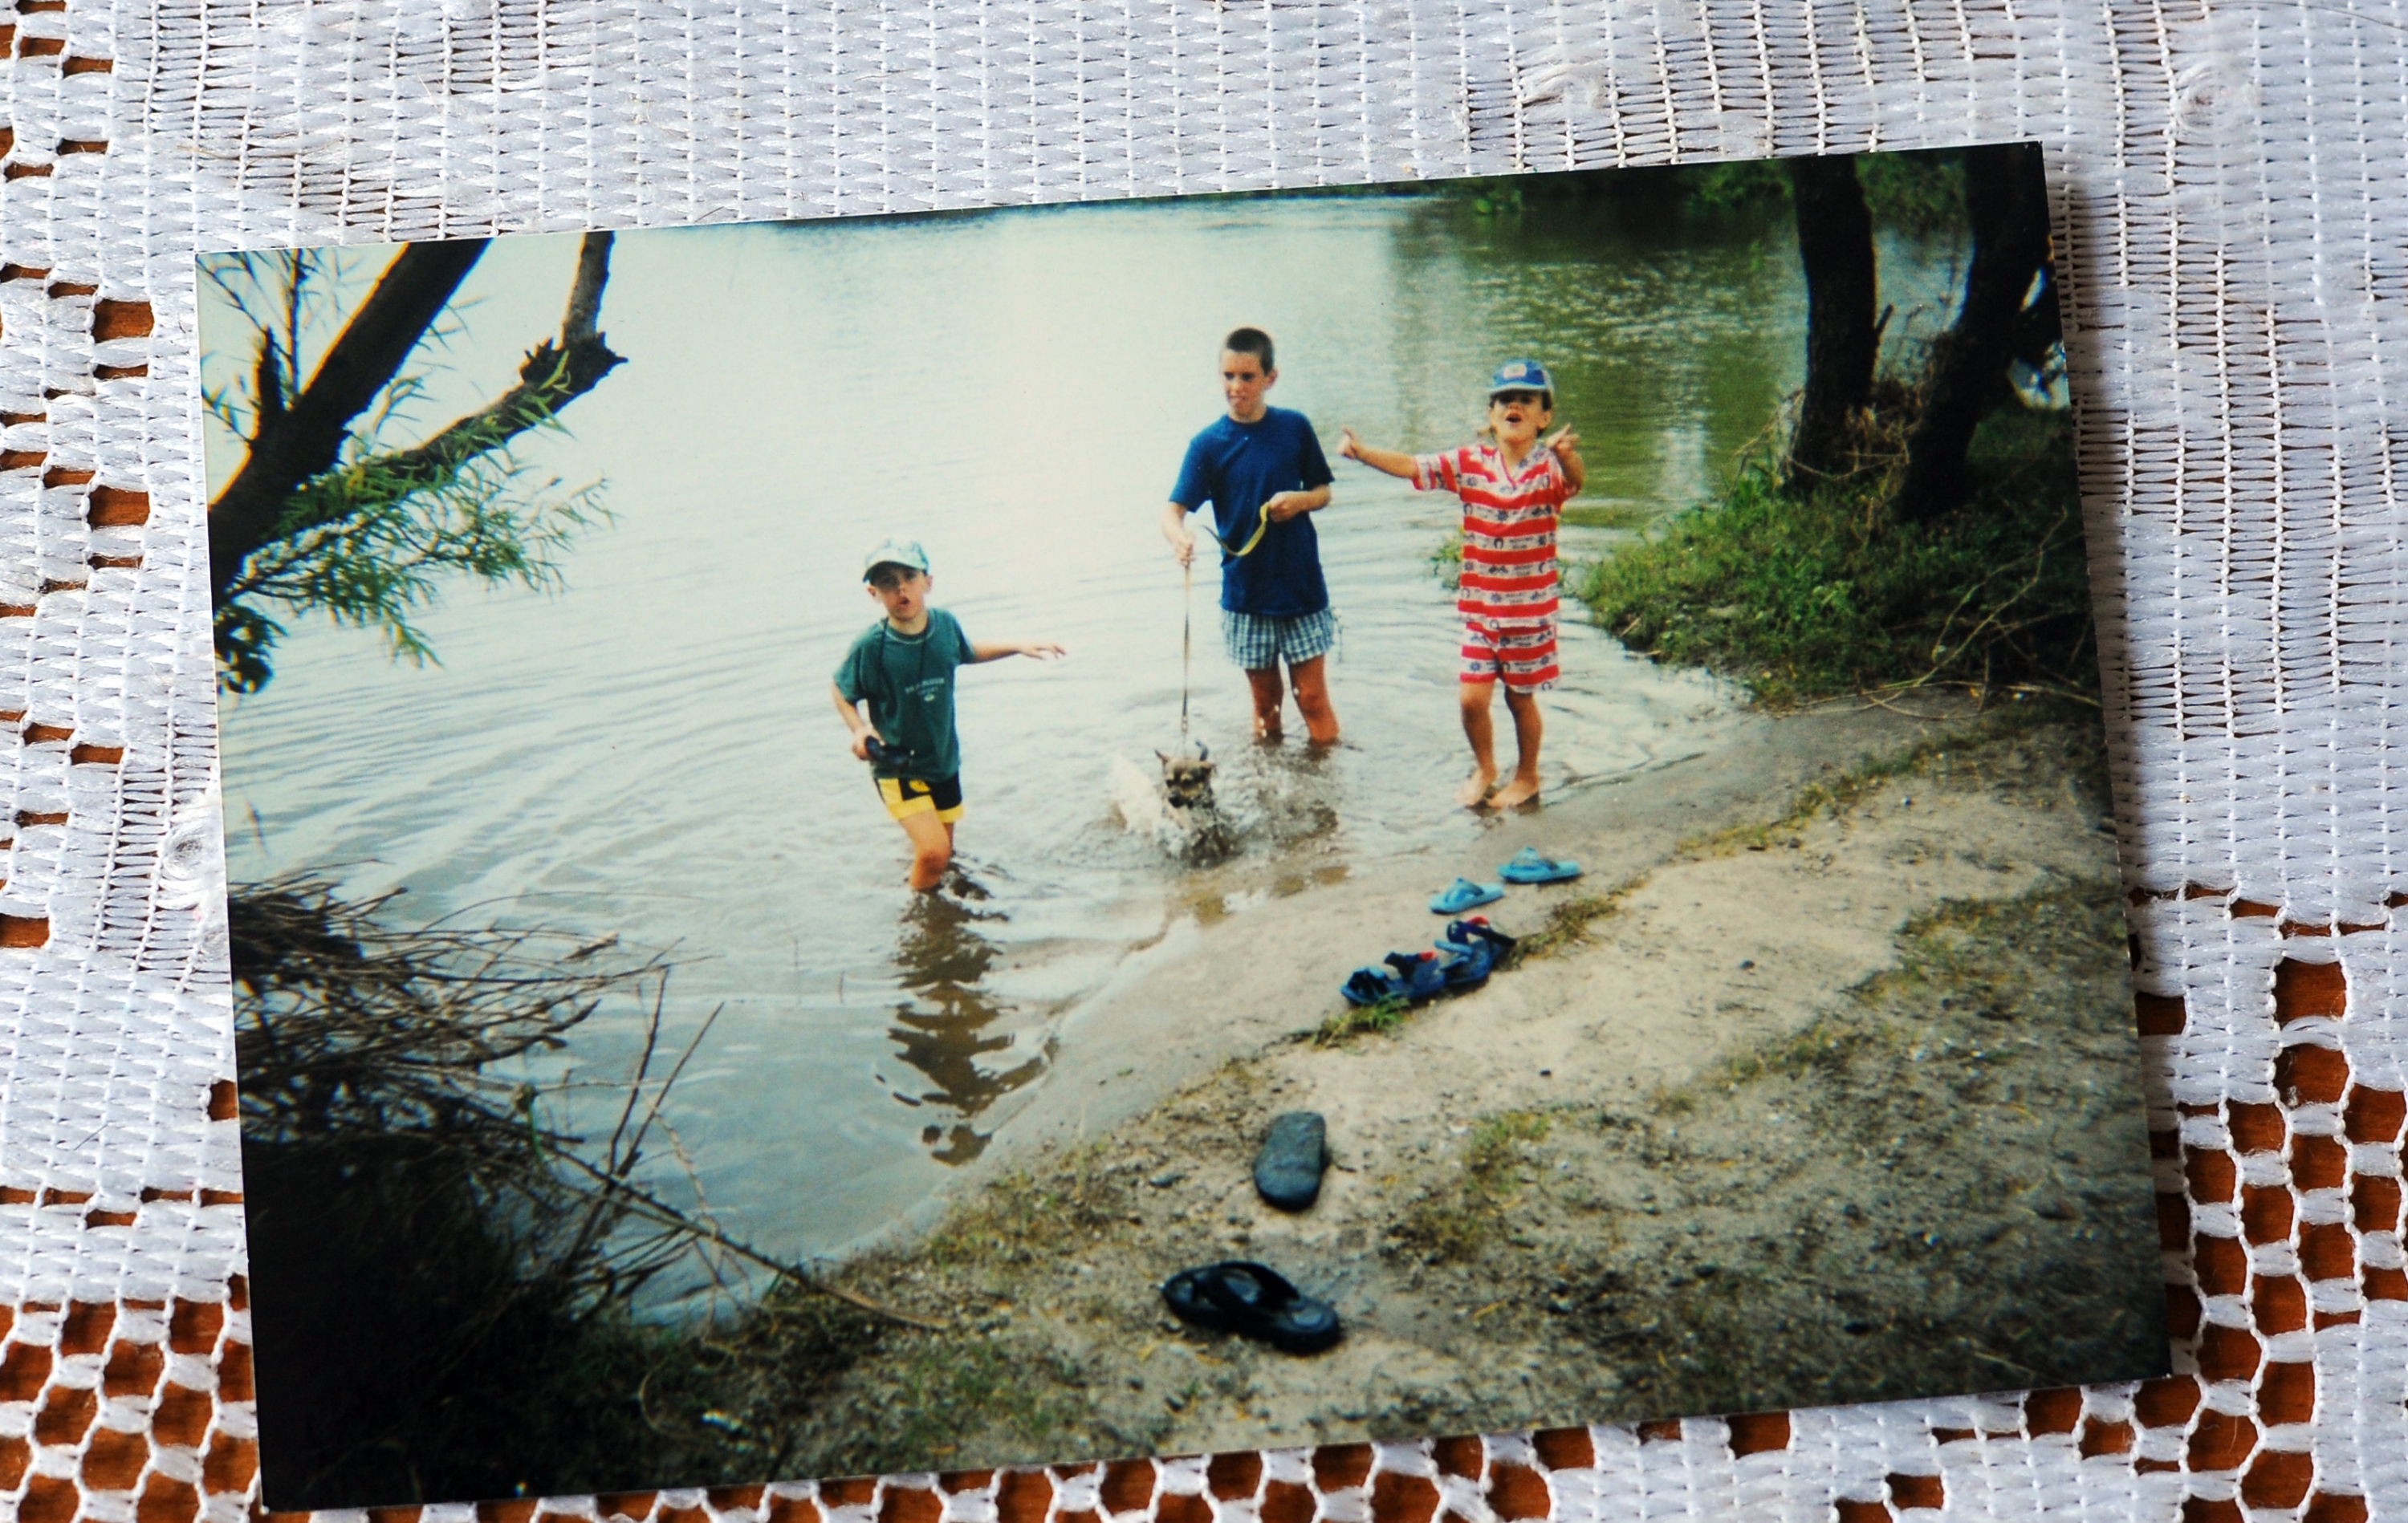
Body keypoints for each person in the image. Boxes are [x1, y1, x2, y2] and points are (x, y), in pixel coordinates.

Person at [1340, 359, 1584, 809]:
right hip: (1481, 610)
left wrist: (1567, 457)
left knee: (1519, 698)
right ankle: (1487, 766)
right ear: (1491, 416)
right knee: (1472, 699)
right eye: (1504, 400)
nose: (1514, 405)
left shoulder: (1548, 467)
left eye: (1526, 400)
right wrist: (1365, 453)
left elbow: (1575, 482)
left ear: (1543, 417)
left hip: (1529, 612)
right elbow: (1415, 466)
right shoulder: (1470, 462)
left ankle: (1528, 775)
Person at [832, 538, 1064, 891]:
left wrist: (1017, 646)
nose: (900, 588)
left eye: (909, 576)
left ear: (928, 582)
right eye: (887, 582)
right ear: (873, 593)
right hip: (897, 766)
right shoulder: (871, 647)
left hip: (943, 761)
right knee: (934, 853)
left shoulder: (944, 625)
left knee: (945, 852)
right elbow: (841, 689)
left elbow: (966, 651)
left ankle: (942, 918)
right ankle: (919, 926)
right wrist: (860, 729)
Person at [1161, 327, 1340, 745]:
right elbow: (1173, 511)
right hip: (1247, 594)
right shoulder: (1207, 445)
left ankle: (1328, 796)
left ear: (1270, 379)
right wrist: (1179, 538)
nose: (1236, 387)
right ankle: (1269, 791)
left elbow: (1323, 492)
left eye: (1247, 377)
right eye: (1228, 377)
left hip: (1301, 587)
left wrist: (1299, 501)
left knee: (1312, 698)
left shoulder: (1294, 427)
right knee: (1266, 704)